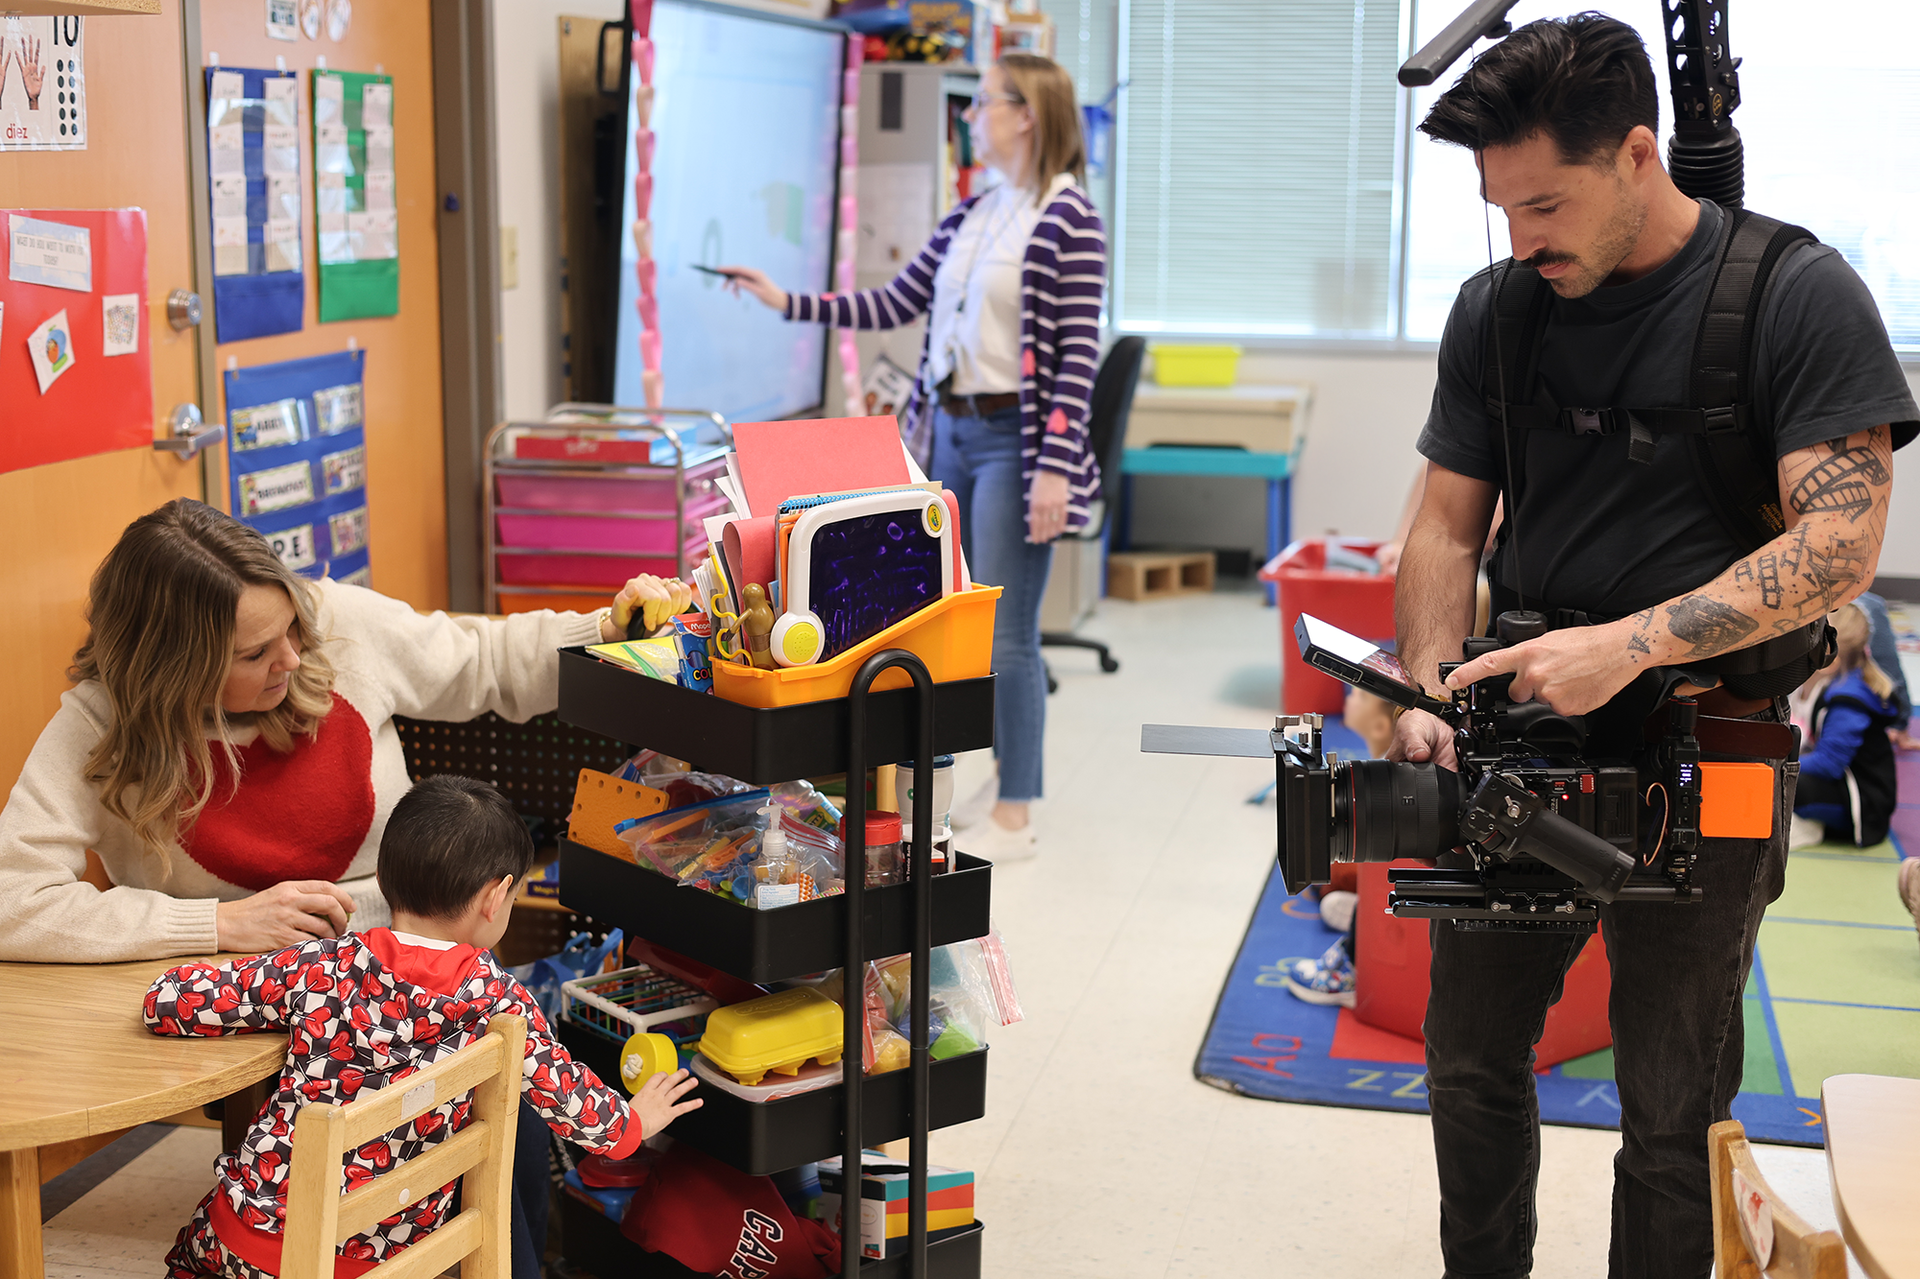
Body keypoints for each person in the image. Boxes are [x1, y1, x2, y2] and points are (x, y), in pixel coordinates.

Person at [1393, 16, 1913, 1278]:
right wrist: (1423, 687)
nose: (1522, 238)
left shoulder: (1793, 294)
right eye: (1500, 208)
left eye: (1546, 203)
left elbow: (1837, 551)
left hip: (1712, 752)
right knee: (1467, 1065)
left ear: (1638, 155)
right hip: (1523, 743)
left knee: (1674, 1112)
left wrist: (1625, 646)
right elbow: (1442, 531)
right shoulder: (1501, 310)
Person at [0, 497, 691, 1279]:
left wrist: (609, 628)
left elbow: (488, 658)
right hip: (264, 1003)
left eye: (292, 626)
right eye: (257, 651)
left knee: (508, 1123)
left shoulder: (338, 626)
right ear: (176, 667)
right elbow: (12, 899)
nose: (293, 657)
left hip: (398, 977)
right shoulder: (105, 721)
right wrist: (216, 923)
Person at [720, 53, 1105, 863]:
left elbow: (1077, 355)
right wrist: (785, 299)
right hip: (950, 435)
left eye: (984, 104)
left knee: (1006, 634)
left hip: (1016, 441)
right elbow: (896, 299)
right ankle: (944, 789)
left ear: (1026, 113)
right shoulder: (976, 211)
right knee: (938, 625)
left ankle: (1018, 806)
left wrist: (1055, 466)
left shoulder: (1070, 220)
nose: (971, 116)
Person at [151, 775, 702, 1279]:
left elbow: (170, 1003)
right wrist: (634, 1123)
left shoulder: (319, 963)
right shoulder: (497, 1000)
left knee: (186, 1256)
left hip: (240, 1240)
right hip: (373, 1261)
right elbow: (577, 1106)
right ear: (494, 898)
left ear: (387, 877)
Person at [1791, 600, 1903, 848]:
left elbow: (1828, 764)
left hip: (1862, 804)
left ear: (1831, 653)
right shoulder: (1832, 681)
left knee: (1778, 784)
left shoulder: (1849, 700)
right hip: (1840, 782)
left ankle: (1808, 827)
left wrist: (1780, 765)